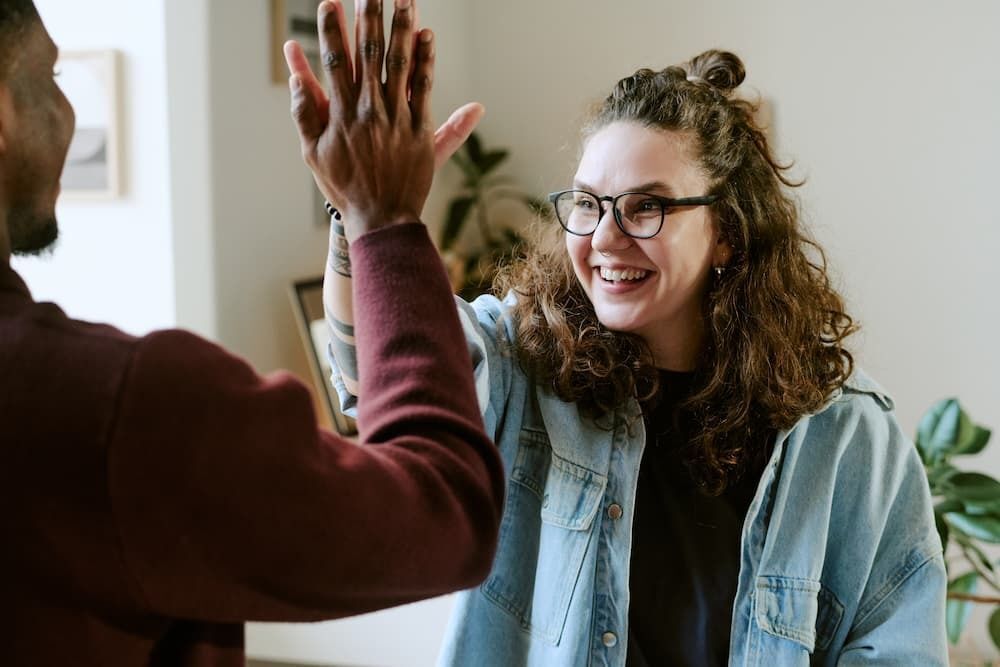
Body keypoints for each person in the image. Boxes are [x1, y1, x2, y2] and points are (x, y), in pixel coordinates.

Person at [297, 40, 949, 665]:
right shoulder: (524, 360)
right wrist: (359, 212)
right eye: (588, 203)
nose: (605, 237)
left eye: (647, 208)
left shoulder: (848, 441)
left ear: (725, 233)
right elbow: (373, 377)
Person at [0, 0, 504, 664]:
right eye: (53, 77)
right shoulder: (115, 409)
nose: (68, 113)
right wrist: (382, 218)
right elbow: (445, 510)